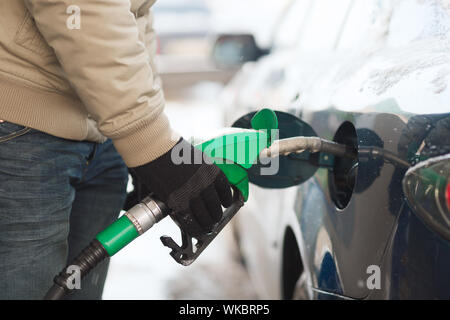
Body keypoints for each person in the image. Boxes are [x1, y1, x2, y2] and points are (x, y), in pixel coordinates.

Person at [0, 0, 232, 300]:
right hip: (25, 131)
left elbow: (136, 16)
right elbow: (82, 7)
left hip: (102, 137)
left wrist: (141, 143)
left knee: (78, 290)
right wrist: (151, 144)